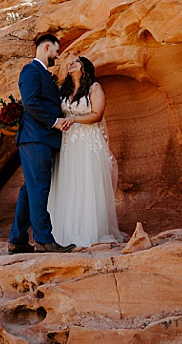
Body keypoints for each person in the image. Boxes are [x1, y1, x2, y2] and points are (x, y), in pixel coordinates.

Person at [8, 33, 77, 254]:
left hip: (39, 139)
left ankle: (17, 241)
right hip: (36, 137)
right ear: (47, 48)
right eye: (56, 52)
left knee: (30, 190)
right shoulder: (31, 70)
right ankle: (44, 240)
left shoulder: (44, 74)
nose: (57, 57)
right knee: (39, 189)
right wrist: (55, 122)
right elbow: (30, 102)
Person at [47, 56, 122, 248]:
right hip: (66, 143)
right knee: (67, 182)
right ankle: (64, 233)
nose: (72, 63)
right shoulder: (63, 90)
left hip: (87, 141)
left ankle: (88, 231)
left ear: (85, 68)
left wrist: (74, 120)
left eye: (77, 62)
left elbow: (97, 114)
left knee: (86, 182)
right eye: (71, 62)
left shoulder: (94, 88)